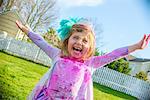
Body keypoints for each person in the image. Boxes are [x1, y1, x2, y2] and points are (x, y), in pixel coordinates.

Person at [16, 18, 150, 100]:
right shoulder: (57, 55)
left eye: (85, 41)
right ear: (68, 41)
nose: (79, 42)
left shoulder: (91, 63)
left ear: (90, 47)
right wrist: (26, 31)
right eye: (75, 38)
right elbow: (41, 41)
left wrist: (136, 47)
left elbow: (114, 54)